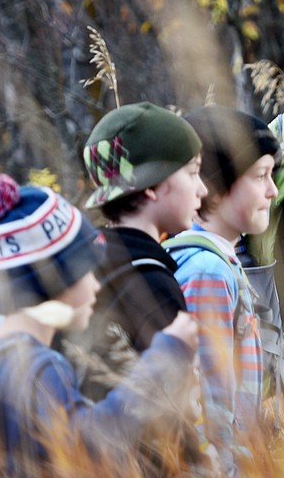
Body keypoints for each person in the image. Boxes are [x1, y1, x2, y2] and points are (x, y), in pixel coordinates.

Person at [0, 173, 198, 478]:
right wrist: (166, 357)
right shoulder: (34, 367)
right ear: (54, 282)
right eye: (87, 270)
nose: (96, 284)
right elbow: (91, 447)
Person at [166, 107, 279, 467]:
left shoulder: (221, 262)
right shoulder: (207, 272)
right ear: (214, 189)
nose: (273, 191)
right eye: (261, 176)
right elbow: (210, 401)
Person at [72, 102, 207, 399]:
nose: (202, 189)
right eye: (193, 172)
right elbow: (170, 413)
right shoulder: (152, 282)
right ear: (152, 184)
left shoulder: (85, 265)